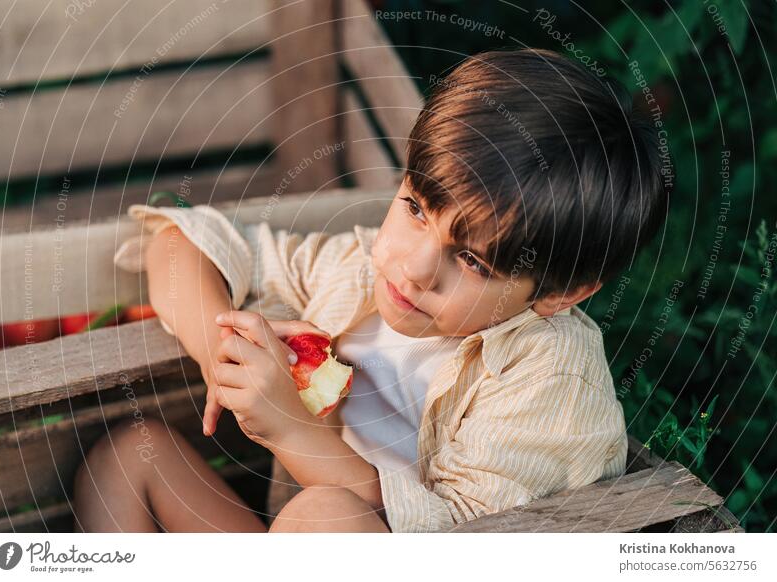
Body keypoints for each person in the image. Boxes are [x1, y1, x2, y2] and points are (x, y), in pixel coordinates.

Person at [73, 48, 669, 533]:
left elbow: (464, 543)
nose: (412, 269)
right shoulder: (358, 270)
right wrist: (221, 354)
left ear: (561, 293)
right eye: (415, 208)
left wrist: (292, 428)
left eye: (472, 261)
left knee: (326, 518)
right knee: (129, 458)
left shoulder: (551, 381)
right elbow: (181, 244)